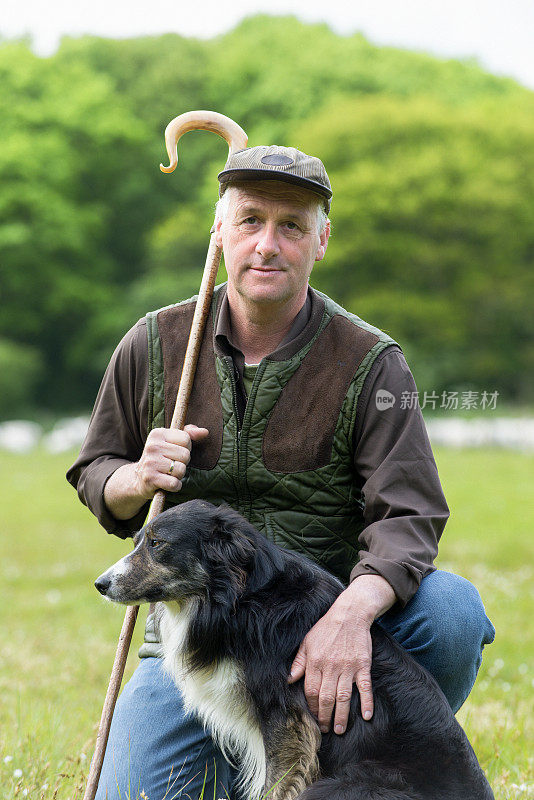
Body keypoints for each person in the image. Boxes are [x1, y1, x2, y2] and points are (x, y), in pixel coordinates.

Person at [67, 145, 495, 800]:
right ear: (219, 232)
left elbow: (409, 516)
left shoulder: (373, 361)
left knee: (451, 610)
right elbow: (97, 470)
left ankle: (363, 760)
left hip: (323, 621)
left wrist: (351, 616)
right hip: (198, 645)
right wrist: (135, 477)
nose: (267, 244)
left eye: (291, 225)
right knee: (132, 794)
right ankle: (251, 757)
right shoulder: (155, 344)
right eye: (249, 221)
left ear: (321, 240)